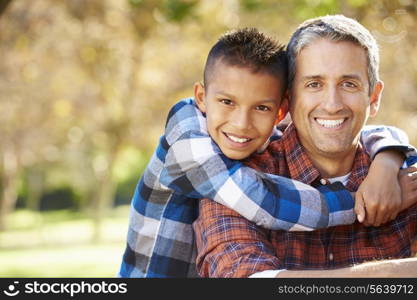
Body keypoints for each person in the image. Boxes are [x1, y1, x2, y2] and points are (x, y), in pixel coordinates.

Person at [119, 27, 416, 278]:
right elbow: (264, 203)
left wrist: (389, 159)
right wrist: (359, 205)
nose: (332, 103)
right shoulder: (206, 153)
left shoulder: (401, 169)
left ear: (279, 110)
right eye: (314, 84)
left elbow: (371, 133)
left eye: (349, 84)